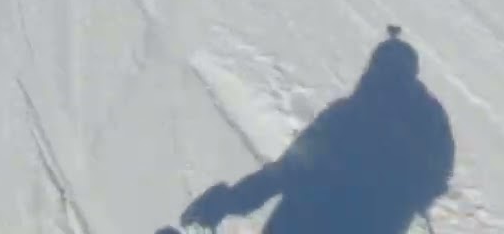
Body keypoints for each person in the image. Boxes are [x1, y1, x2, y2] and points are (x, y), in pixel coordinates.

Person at [179, 26, 454, 234]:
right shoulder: (431, 124)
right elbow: (436, 180)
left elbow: (287, 171)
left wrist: (229, 201)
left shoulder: (347, 116)